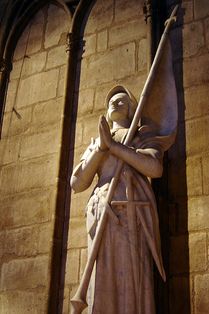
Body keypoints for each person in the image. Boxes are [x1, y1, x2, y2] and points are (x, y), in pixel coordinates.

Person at [70, 85, 171, 314]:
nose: (115, 103)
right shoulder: (96, 142)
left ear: (131, 108)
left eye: (122, 101)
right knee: (101, 276)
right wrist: (102, 148)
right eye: (112, 101)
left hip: (130, 212)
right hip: (100, 211)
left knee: (130, 278)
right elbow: (77, 183)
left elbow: (154, 167)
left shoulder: (140, 134)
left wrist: (115, 147)